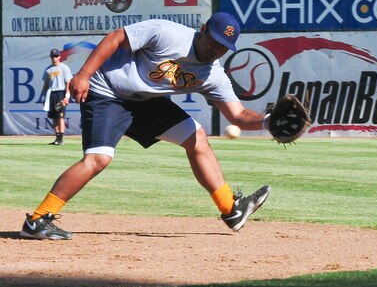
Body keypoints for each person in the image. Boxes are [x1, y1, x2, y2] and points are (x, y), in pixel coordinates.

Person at [21, 13, 271, 240]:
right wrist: (84, 74)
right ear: (203, 29)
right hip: (107, 91)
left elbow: (238, 115)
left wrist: (268, 122)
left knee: (196, 138)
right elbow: (116, 37)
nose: (216, 50)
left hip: (144, 102)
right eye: (214, 41)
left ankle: (231, 210)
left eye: (223, 48)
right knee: (99, 159)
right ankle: (38, 219)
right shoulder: (168, 33)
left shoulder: (212, 75)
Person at [41, 49, 73, 146]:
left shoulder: (64, 68)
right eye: (53, 56)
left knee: (60, 116)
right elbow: (46, 84)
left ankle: (61, 138)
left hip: (60, 93)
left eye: (56, 56)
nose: (54, 58)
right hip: (51, 93)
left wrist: (67, 97)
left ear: (59, 57)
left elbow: (68, 83)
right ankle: (57, 138)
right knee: (54, 117)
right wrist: (44, 97)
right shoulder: (48, 69)